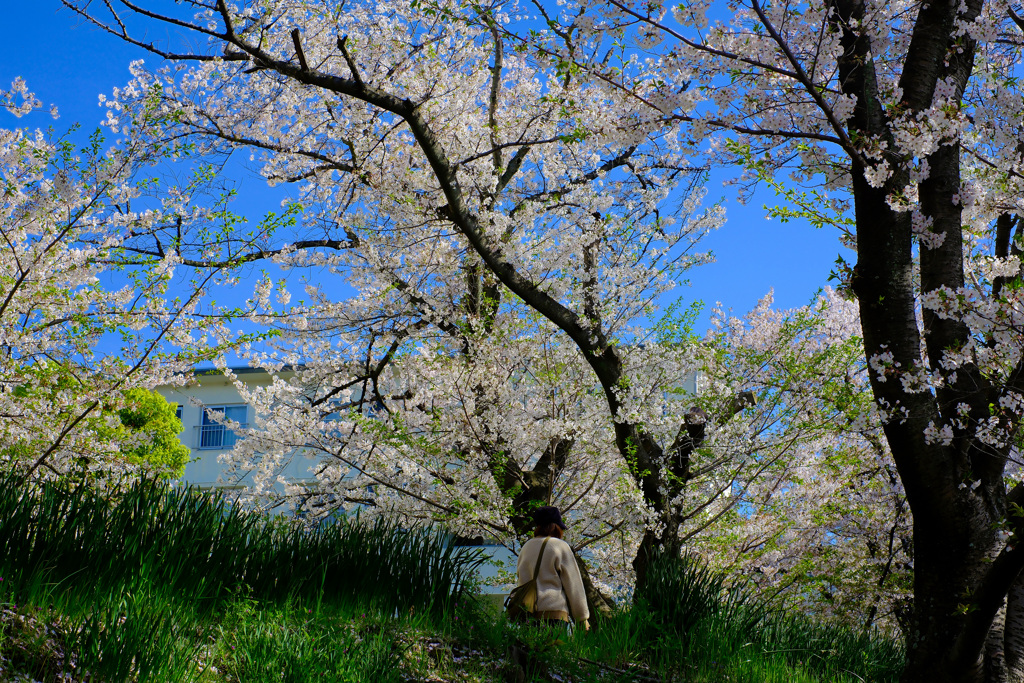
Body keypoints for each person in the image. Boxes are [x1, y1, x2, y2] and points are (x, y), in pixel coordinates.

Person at [515, 506, 590, 632]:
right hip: (554, 613)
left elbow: (521, 578)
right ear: (556, 527)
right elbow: (573, 584)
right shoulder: (560, 546)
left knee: (531, 651)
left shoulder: (526, 547)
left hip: (528, 614)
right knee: (553, 651)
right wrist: (582, 617)